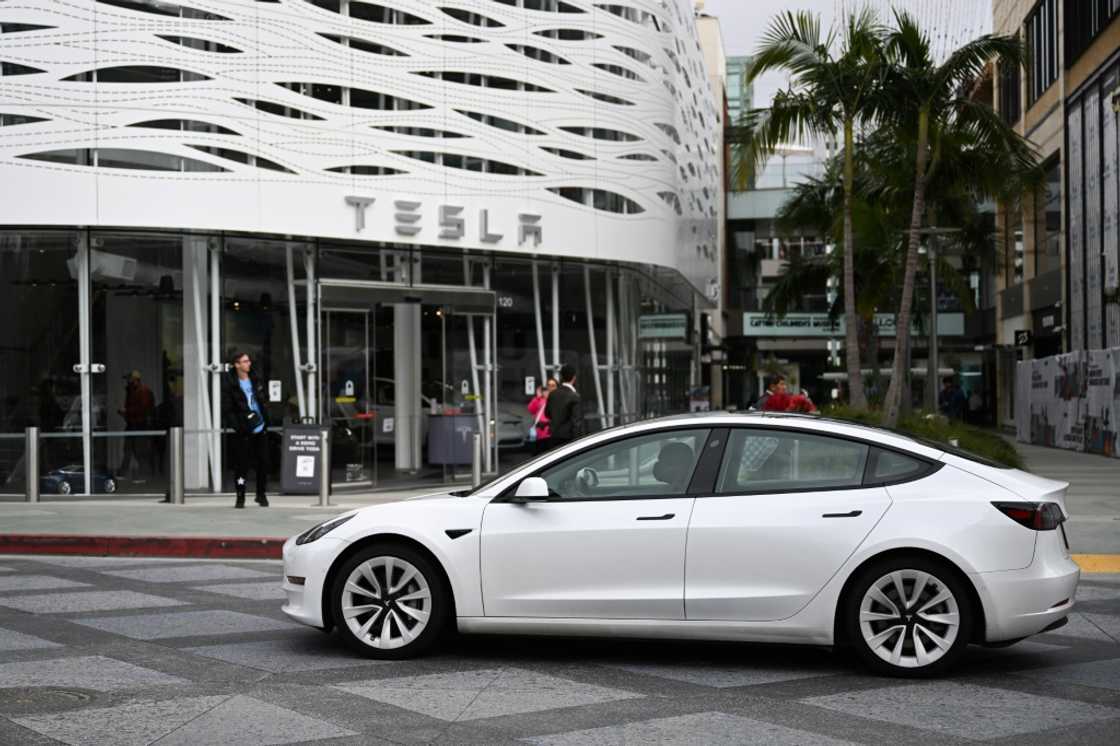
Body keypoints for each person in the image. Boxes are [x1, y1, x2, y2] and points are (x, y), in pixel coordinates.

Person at [222, 351, 270, 508]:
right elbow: (227, 408)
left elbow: (263, 400)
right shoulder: (231, 383)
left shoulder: (255, 380)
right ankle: (240, 495)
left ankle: (261, 494)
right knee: (241, 465)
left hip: (260, 428)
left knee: (262, 463)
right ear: (236, 364)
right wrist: (238, 426)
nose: (248, 363)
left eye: (248, 361)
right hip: (243, 431)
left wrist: (265, 419)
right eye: (244, 361)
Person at [118, 370, 155, 481]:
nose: (127, 381)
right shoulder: (132, 391)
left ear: (134, 380)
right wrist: (125, 413)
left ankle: (143, 475)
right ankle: (123, 473)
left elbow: (143, 409)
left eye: (129, 379)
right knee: (128, 449)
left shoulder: (143, 391)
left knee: (139, 450)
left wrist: (126, 411)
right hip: (132, 423)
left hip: (139, 424)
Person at [544, 365, 580, 450]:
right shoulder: (574, 396)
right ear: (574, 377)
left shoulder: (553, 394)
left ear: (561, 376)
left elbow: (547, 414)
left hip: (554, 437)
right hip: (569, 440)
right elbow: (576, 422)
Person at [527, 380, 553, 454]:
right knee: (538, 452)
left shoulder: (552, 400)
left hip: (548, 432)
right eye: (544, 391)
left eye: (547, 390)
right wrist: (537, 397)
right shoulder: (539, 400)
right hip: (539, 432)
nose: (545, 392)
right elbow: (531, 410)